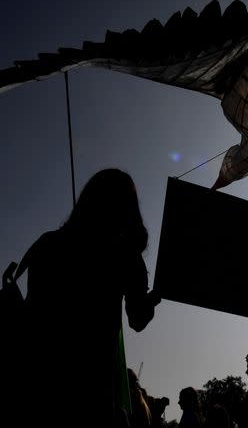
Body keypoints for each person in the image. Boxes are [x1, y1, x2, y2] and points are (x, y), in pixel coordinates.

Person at [18, 168, 160, 427]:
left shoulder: (47, 244)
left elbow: (33, 313)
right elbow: (137, 319)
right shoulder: (124, 255)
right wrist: (156, 296)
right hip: (96, 394)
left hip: (35, 389)